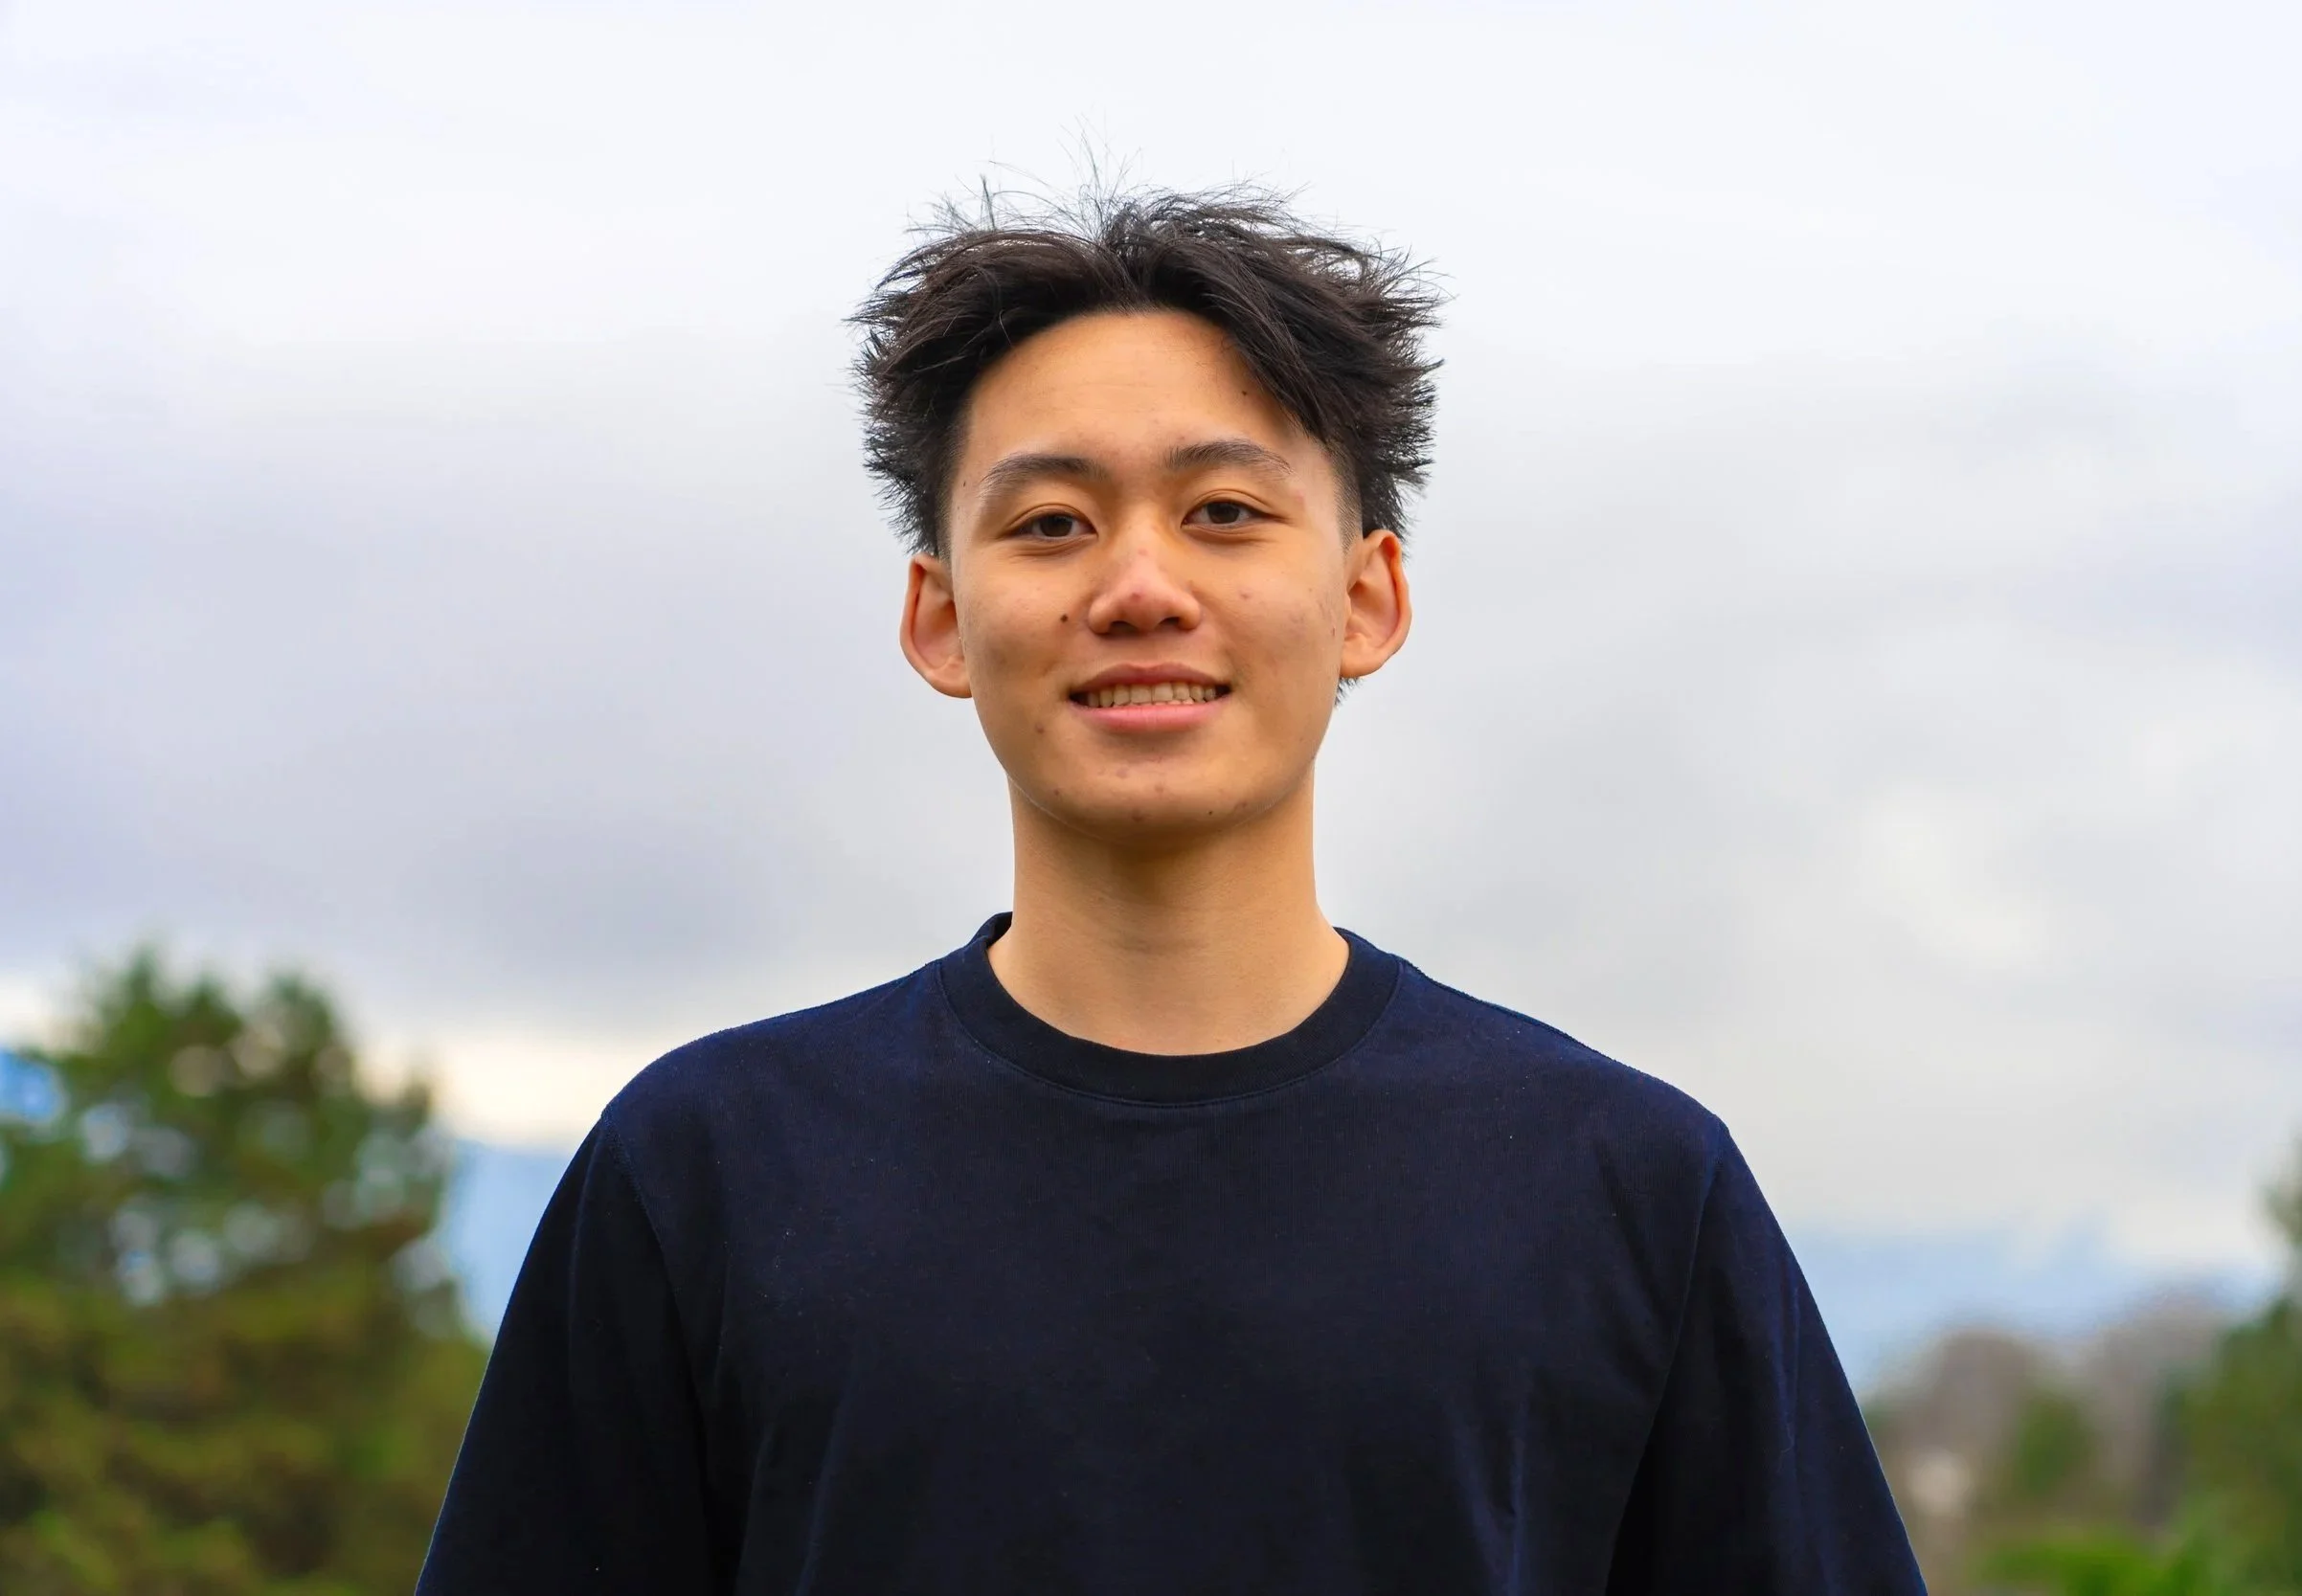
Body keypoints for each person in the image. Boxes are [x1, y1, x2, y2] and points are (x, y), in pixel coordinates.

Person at [418, 188, 1924, 1594]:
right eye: (1051, 524)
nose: (1140, 586)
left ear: (1367, 597)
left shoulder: (1628, 1186)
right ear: (940, 617)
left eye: (1224, 512)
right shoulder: (707, 1172)